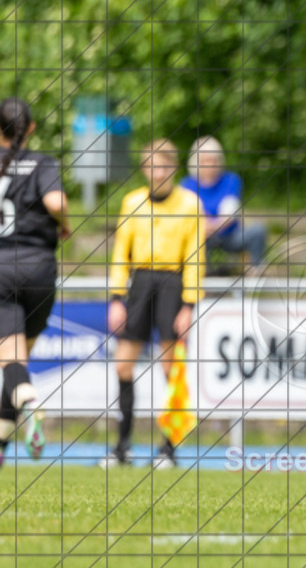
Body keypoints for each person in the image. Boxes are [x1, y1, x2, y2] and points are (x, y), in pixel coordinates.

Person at [103, 139, 204, 469]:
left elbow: (194, 257)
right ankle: (122, 447)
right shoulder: (132, 201)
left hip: (172, 285)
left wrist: (189, 304)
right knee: (123, 365)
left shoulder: (190, 204)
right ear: (145, 169)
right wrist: (117, 298)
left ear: (173, 168)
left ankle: (168, 449)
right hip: (140, 283)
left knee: (169, 368)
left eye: (163, 166)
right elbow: (121, 253)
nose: (157, 172)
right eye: (151, 166)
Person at [0, 98, 71, 467]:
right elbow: (57, 202)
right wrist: (65, 222)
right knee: (16, 360)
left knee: (11, 364)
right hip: (40, 271)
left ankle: (29, 402)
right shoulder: (42, 163)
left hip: (2, 272)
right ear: (30, 128)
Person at [180, 136, 266, 271]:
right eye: (205, 160)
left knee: (258, 230)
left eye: (213, 160)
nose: (210, 164)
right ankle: (200, 279)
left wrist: (214, 225)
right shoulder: (186, 184)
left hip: (230, 235)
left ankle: (255, 275)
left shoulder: (231, 180)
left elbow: (230, 211)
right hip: (202, 237)